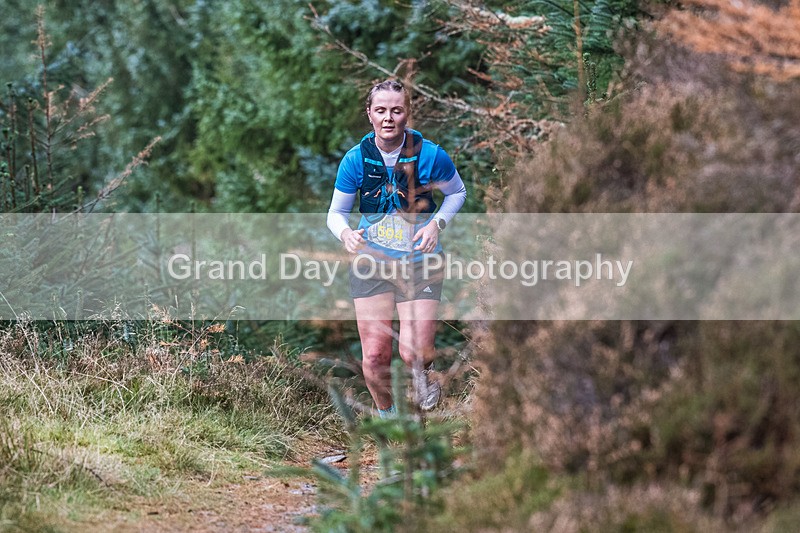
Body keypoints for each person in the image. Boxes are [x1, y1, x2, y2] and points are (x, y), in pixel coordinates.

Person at [327, 79, 467, 417]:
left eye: (396, 110)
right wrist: (346, 234)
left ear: (407, 114)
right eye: (381, 110)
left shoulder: (431, 155)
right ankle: (390, 421)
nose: (388, 117)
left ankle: (423, 376)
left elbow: (457, 193)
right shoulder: (356, 160)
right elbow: (335, 214)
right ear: (370, 115)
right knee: (374, 358)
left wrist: (437, 224)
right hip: (371, 263)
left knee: (414, 352)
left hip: (421, 261)